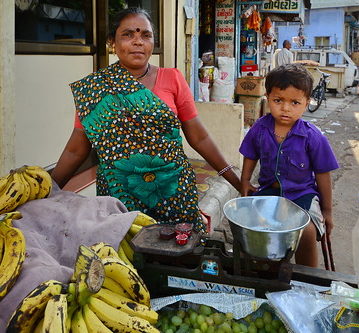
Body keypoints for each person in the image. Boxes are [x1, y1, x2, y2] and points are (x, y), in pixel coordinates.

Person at [51, 7, 241, 233]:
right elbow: (75, 150)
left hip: (174, 192)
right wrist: (48, 190)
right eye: (128, 34)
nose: (138, 41)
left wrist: (236, 181)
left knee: (178, 258)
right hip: (119, 197)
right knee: (124, 258)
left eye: (145, 35)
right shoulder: (95, 90)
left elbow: (199, 137)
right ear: (113, 42)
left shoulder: (173, 78)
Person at [239, 64, 339, 267]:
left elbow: (322, 174)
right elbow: (250, 155)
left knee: (307, 232)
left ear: (306, 102)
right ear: (268, 97)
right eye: (278, 100)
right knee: (257, 232)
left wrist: (327, 211)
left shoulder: (312, 137)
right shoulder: (259, 128)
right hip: (268, 193)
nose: (285, 108)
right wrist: (245, 181)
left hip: (302, 195)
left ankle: (307, 278)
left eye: (295, 102)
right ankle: (265, 273)